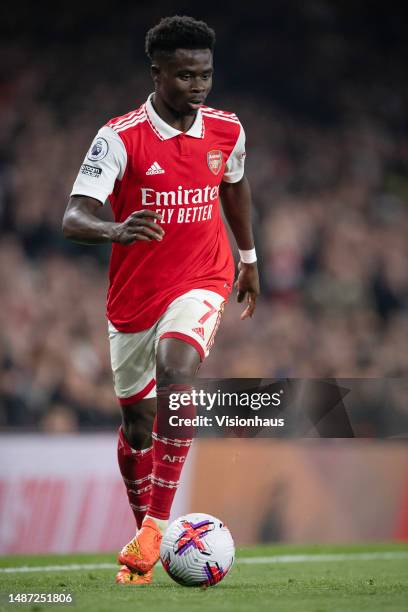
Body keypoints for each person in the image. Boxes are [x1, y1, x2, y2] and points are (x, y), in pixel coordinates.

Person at [62, 15, 259, 585]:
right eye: (185, 76)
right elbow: (74, 215)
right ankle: (143, 536)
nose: (199, 86)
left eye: (206, 75)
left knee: (178, 369)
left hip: (204, 274)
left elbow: (235, 184)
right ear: (157, 73)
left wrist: (247, 259)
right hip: (134, 296)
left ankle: (157, 525)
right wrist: (114, 229)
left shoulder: (227, 129)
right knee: (138, 428)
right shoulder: (119, 137)